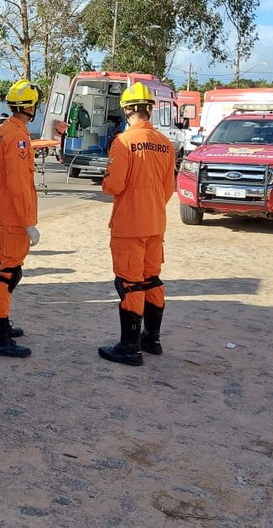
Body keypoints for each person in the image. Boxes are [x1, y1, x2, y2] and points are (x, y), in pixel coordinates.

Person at [97, 82, 176, 366]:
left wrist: (104, 180)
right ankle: (151, 339)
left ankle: (129, 348)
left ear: (128, 109)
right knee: (152, 279)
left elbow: (114, 185)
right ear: (150, 110)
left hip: (130, 225)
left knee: (129, 284)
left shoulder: (123, 142)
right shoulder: (166, 145)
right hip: (155, 223)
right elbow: (169, 189)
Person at [0, 80, 43, 357]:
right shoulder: (18, 136)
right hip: (14, 215)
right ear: (30, 106)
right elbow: (19, 183)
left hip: (3, 210)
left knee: (0, 268)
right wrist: (28, 222)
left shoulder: (4, 130)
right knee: (9, 272)